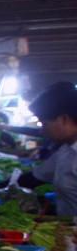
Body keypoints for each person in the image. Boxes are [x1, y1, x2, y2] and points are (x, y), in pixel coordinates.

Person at [28, 81, 77, 217]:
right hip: (66, 233)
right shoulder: (66, 151)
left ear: (64, 119)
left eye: (44, 123)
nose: (42, 131)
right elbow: (35, 177)